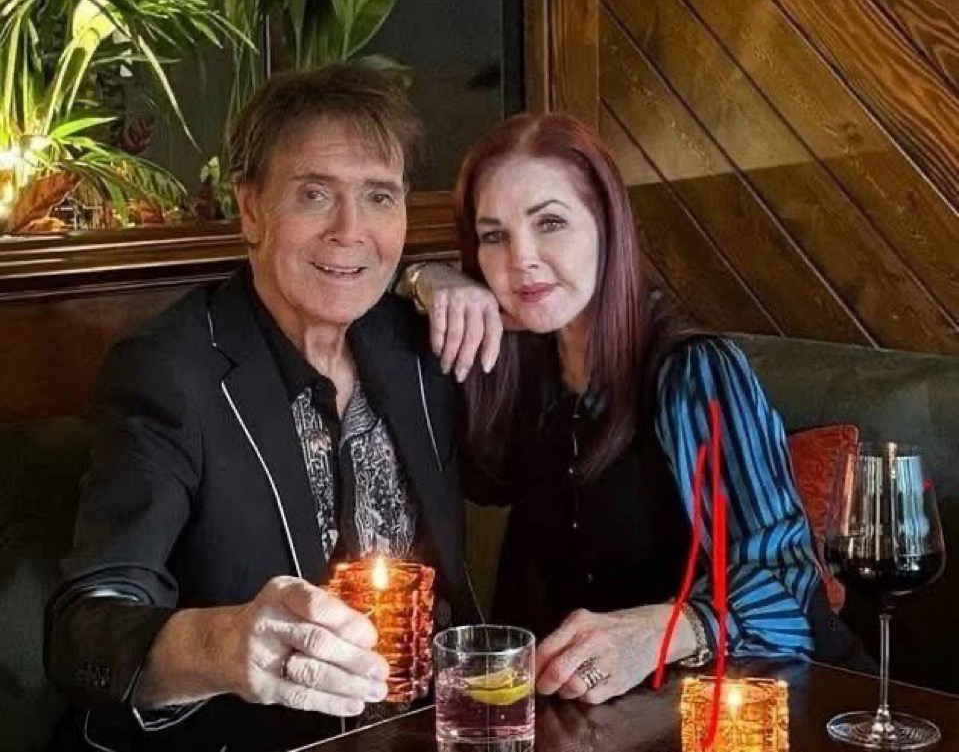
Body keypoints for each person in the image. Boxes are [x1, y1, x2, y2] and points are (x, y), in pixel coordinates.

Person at [44, 64, 480, 752]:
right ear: (250, 209)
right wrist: (221, 645)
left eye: (378, 196)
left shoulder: (420, 343)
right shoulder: (170, 371)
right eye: (314, 194)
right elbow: (84, 629)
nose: (350, 230)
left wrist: (437, 274)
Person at [403, 112, 865, 706]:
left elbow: (789, 582)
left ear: (608, 227)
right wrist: (427, 277)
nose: (521, 259)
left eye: (550, 223)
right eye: (494, 236)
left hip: (769, 707)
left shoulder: (693, 371)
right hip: (608, 716)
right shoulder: (520, 367)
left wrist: (663, 630)